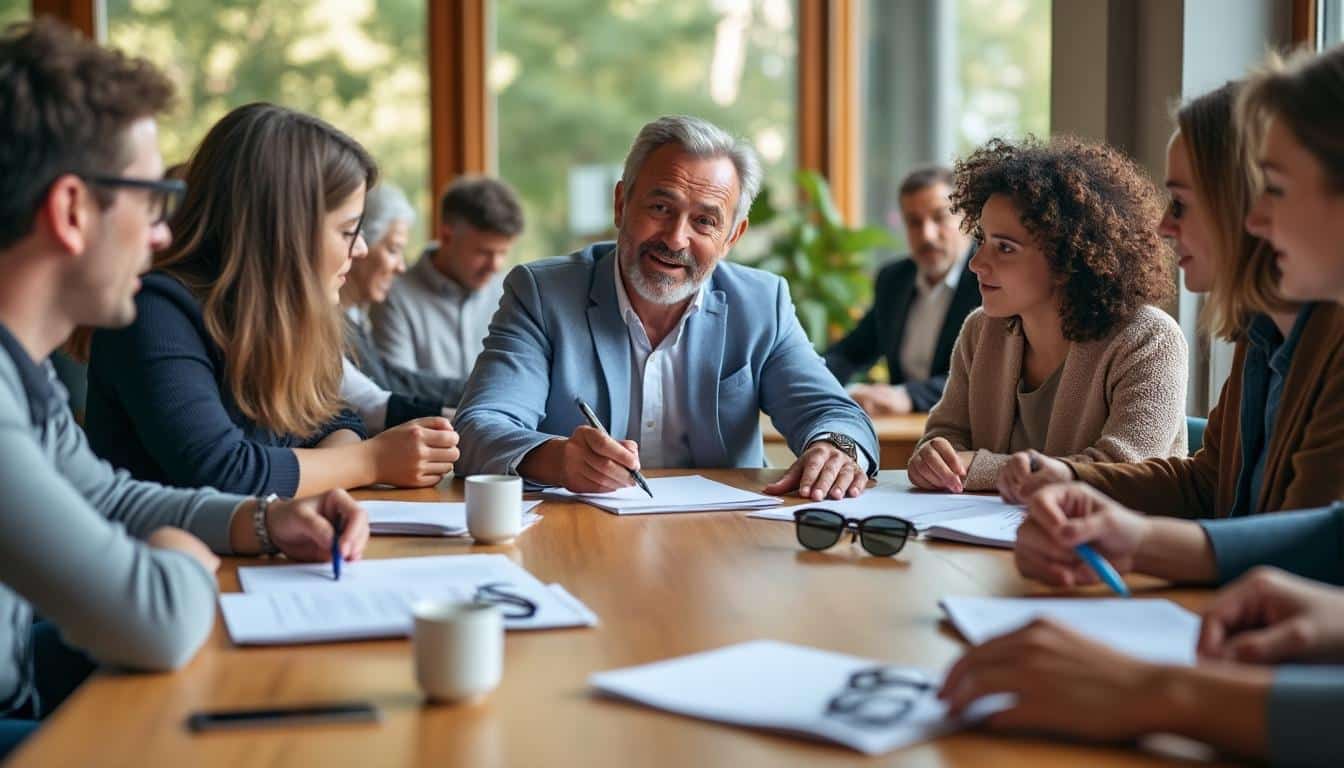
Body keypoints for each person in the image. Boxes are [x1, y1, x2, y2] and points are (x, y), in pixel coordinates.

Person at [944, 47, 1344, 766]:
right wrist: (1113, 518)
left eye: (1275, 188)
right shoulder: (1264, 336)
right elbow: (1227, 491)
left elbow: (1317, 564)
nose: (1257, 220)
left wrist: (1154, 691)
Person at [0, 20, 368, 756]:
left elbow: (109, 498)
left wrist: (265, 522)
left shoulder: (24, 372)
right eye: (150, 198)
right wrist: (178, 555)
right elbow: (160, 622)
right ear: (72, 211)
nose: (163, 234)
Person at [454, 116, 878, 500]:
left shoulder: (762, 303)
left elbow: (833, 412)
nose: (676, 239)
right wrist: (555, 459)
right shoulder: (543, 294)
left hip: (723, 541)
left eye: (705, 221)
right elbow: (479, 427)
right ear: (621, 204)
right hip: (578, 538)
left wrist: (835, 449)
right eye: (660, 208)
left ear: (732, 237)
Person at [997, 84, 1344, 514]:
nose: (1162, 226)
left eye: (1179, 204)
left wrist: (1138, 541)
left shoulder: (1325, 345)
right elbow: (1207, 483)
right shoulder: (1260, 335)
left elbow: (1311, 548)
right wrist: (1072, 477)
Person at [85, 103, 460, 496]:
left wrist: (343, 463)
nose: (362, 249)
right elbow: (224, 472)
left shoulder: (280, 318)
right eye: (348, 231)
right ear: (286, 233)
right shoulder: (154, 315)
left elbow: (335, 421)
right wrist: (372, 461)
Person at [907, 136, 1188, 493]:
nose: (977, 264)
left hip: (1116, 545)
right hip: (994, 540)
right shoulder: (980, 330)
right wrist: (934, 457)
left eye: (1005, 248)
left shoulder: (1148, 339)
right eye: (983, 241)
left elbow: (1121, 470)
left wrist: (978, 467)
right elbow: (947, 435)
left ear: (1068, 258)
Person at [824, 166, 981, 416]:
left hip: (967, 431)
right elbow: (851, 353)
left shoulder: (990, 281)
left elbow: (987, 377)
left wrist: (908, 395)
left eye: (939, 217)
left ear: (967, 219)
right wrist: (812, 381)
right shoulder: (894, 279)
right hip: (903, 431)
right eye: (914, 222)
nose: (927, 235)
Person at [338, 182, 464, 433]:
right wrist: (467, 417)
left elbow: (390, 378)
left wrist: (483, 391)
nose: (401, 267)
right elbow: (371, 402)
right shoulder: (325, 325)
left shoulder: (355, 318)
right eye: (393, 250)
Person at [371, 175, 524, 380]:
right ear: (446, 236)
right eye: (484, 252)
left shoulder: (510, 293)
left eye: (503, 253)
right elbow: (400, 386)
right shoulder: (393, 297)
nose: (495, 266)